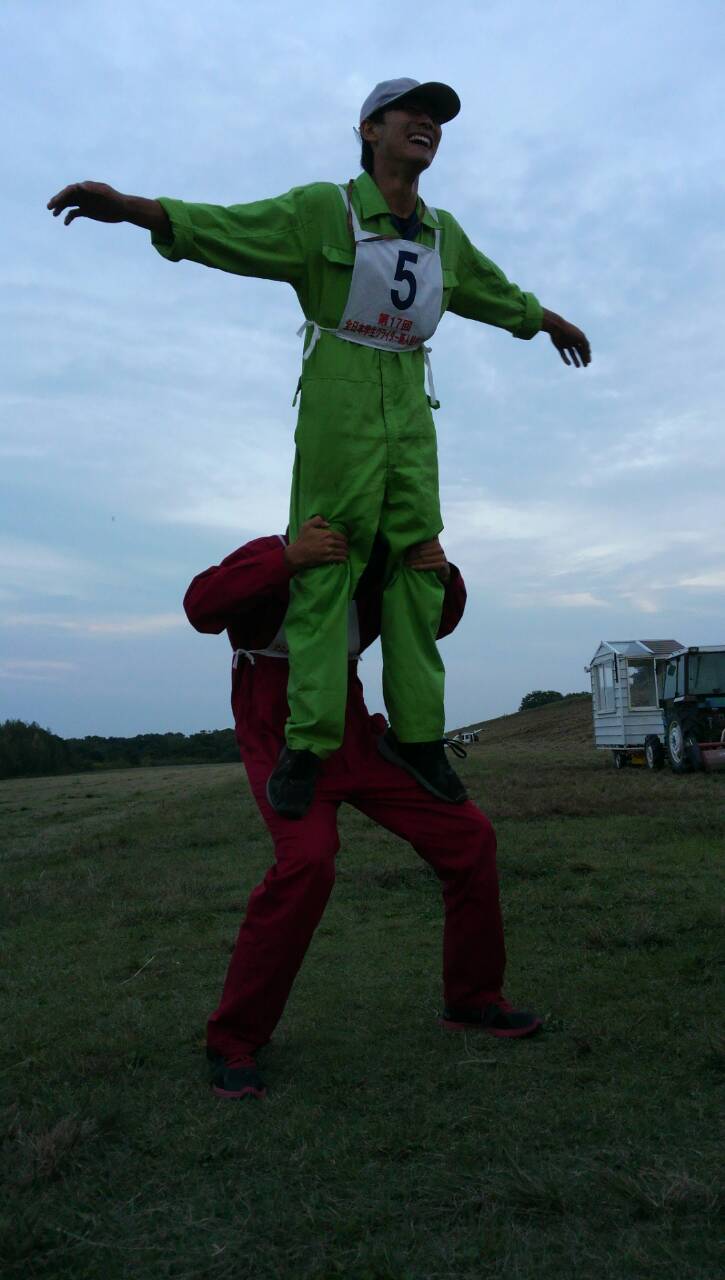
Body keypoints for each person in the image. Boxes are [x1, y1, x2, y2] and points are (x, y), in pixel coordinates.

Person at [47, 76, 591, 820]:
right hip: (339, 401)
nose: (427, 123)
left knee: (419, 561)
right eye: (410, 112)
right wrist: (131, 209)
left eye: (436, 117)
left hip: (411, 409)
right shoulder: (322, 211)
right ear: (369, 130)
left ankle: (420, 738)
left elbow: (494, 292)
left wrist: (551, 322)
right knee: (326, 552)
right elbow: (228, 227)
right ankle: (307, 741)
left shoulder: (443, 235)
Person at [183, 517, 542, 1100]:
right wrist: (289, 560)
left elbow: (437, 622)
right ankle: (232, 1040)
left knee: (469, 836)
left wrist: (443, 573)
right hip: (279, 739)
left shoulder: (380, 564)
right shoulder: (277, 548)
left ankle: (473, 999)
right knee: (308, 863)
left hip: (354, 733)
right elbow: (200, 605)